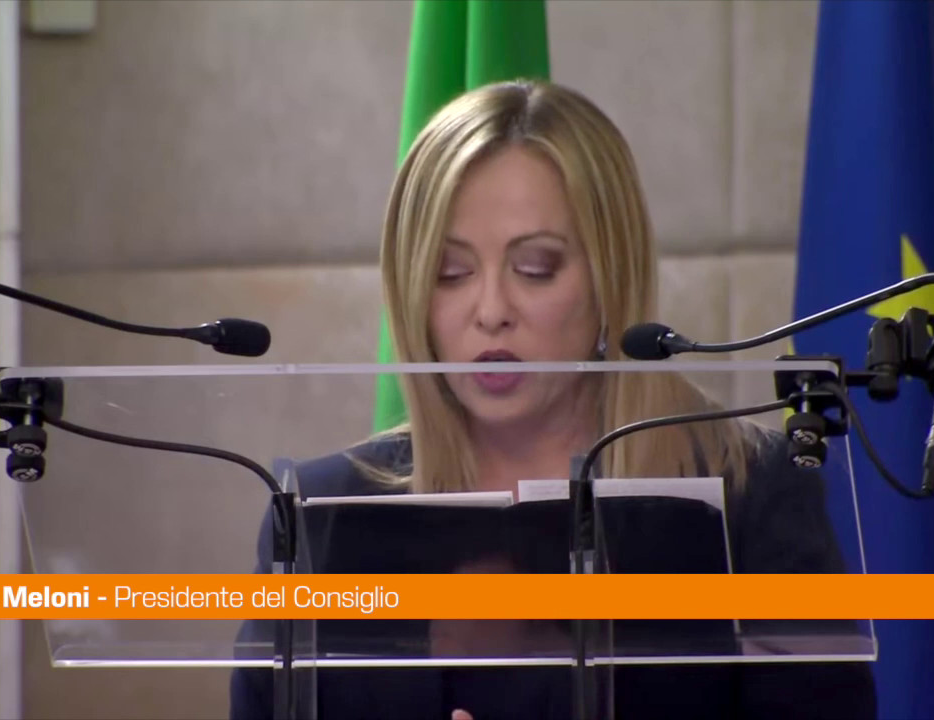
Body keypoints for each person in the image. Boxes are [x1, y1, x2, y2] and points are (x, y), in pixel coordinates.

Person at [231, 80, 876, 719]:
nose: (491, 310)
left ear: (610, 278)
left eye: (535, 268)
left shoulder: (750, 496)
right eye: (450, 274)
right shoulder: (320, 517)